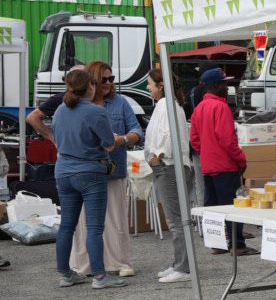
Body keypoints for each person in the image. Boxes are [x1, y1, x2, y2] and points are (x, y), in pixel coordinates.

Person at [51, 67, 129, 290]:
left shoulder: (59, 110)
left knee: (67, 225)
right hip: (90, 172)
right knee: (94, 227)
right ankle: (100, 276)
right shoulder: (96, 112)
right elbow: (109, 144)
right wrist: (118, 138)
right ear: (90, 87)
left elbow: (56, 138)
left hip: (64, 171)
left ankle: (65, 274)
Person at [68, 61, 141, 277]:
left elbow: (137, 130)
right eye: (104, 79)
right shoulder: (77, 106)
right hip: (86, 172)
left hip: (113, 171)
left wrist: (123, 139)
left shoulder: (120, 103)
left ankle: (119, 262)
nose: (109, 83)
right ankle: (86, 264)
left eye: (111, 78)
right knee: (84, 222)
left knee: (116, 219)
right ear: (91, 82)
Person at [144, 64, 196, 284]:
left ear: (161, 85)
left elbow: (166, 135)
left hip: (169, 165)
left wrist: (158, 156)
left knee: (177, 220)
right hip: (171, 165)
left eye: (149, 84)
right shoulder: (170, 104)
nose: (148, 88)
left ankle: (184, 267)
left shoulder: (166, 105)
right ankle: (179, 263)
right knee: (177, 218)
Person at [190, 68, 251, 253]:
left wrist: (208, 153)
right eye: (224, 83)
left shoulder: (199, 108)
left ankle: (217, 244)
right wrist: (241, 159)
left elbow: (194, 139)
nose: (227, 87)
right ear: (216, 85)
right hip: (225, 166)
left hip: (209, 165)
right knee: (232, 206)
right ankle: (237, 244)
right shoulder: (221, 107)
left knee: (212, 207)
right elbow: (227, 140)